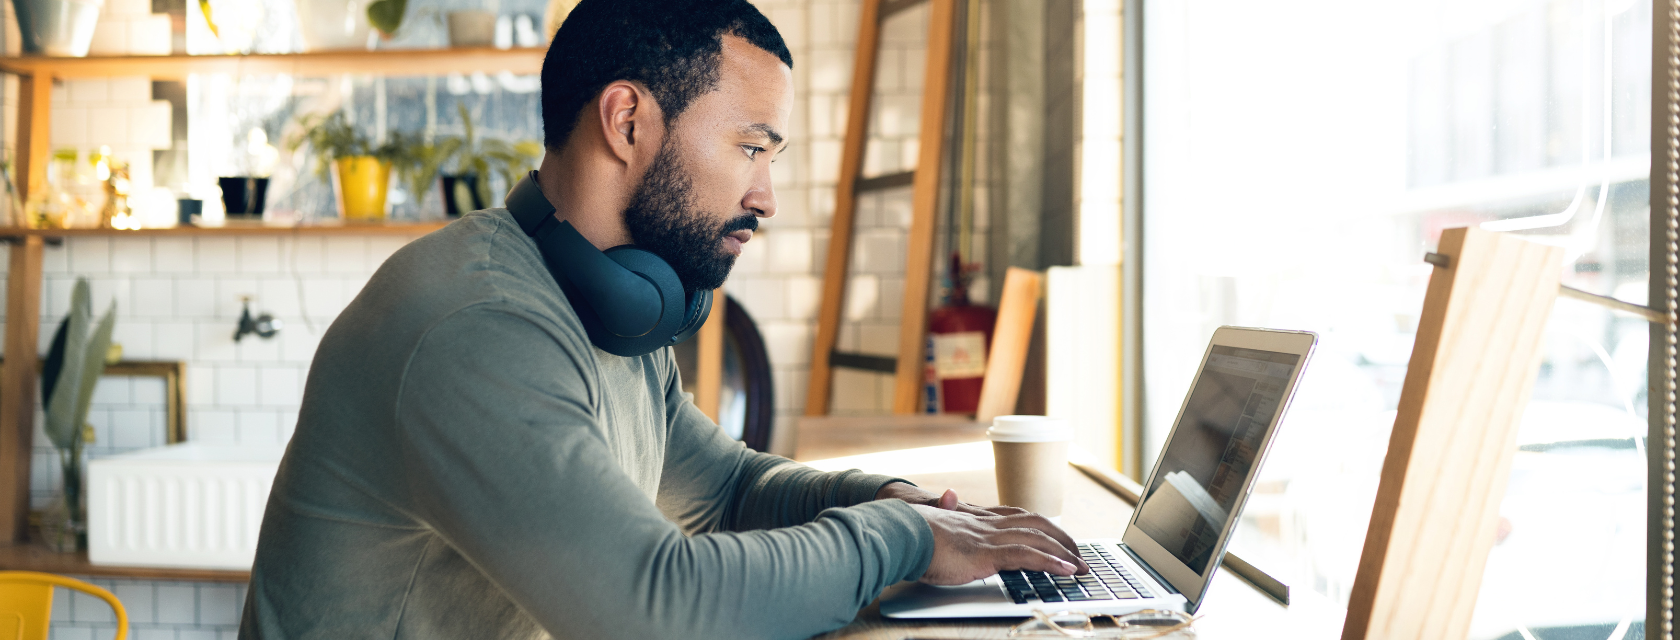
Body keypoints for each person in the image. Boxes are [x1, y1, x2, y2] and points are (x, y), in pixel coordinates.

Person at [239, 1, 1085, 638]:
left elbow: (725, 493)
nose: (767, 197)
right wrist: (901, 539)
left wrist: (899, 501)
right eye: (751, 148)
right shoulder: (474, 324)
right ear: (628, 121)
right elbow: (655, 608)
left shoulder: (614, 305)